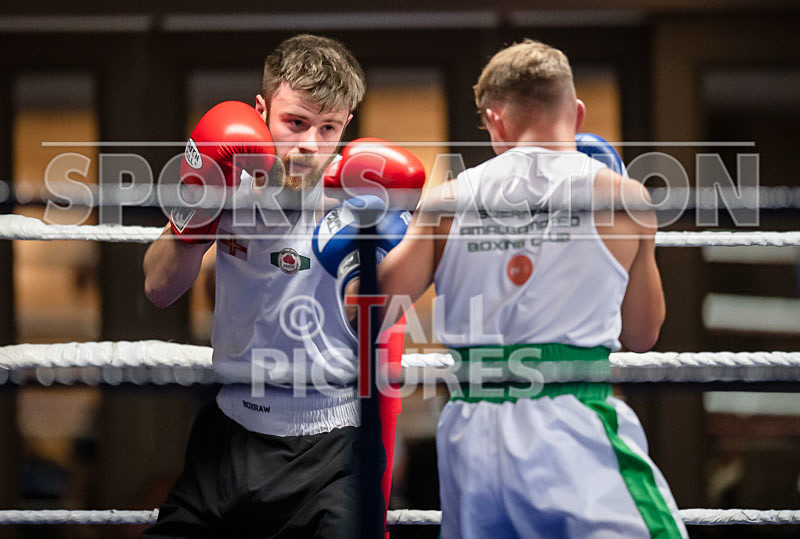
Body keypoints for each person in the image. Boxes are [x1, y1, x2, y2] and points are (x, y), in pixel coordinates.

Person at [369, 39, 689, 538]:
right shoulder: (623, 198)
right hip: (571, 418)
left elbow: (377, 309)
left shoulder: (446, 201)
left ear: (494, 120)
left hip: (469, 431)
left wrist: (369, 235)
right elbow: (643, 335)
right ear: (576, 113)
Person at [142, 34, 422, 537]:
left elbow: (370, 319)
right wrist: (196, 209)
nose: (309, 144)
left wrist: (384, 252)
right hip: (228, 435)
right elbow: (159, 288)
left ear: (346, 125)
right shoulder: (231, 178)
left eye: (328, 127)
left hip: (330, 449)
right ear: (261, 111)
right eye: (295, 122)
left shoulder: (361, 199)